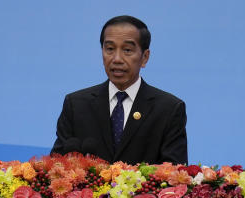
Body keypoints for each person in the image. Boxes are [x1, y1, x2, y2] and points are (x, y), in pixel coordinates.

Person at [51, 16, 188, 165]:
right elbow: (55, 167)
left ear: (145, 57)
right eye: (109, 49)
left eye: (127, 50)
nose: (117, 59)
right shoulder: (76, 105)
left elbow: (174, 175)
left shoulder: (169, 109)